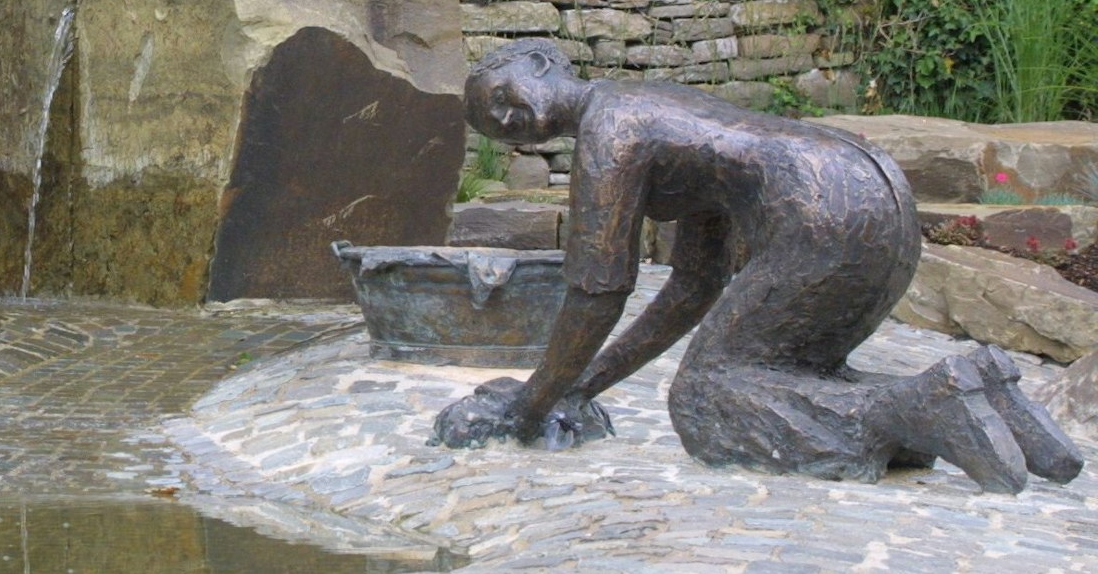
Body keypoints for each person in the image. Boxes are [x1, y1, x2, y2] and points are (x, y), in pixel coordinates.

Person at [434, 39, 1082, 493]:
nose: (505, 124)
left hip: (823, 207)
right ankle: (977, 385)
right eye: (496, 131)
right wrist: (579, 387)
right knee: (779, 370)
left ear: (543, 64)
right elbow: (692, 287)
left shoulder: (613, 127)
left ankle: (921, 405)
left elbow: (597, 287)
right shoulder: (655, 108)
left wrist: (529, 403)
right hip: (872, 199)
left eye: (499, 99)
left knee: (706, 394)